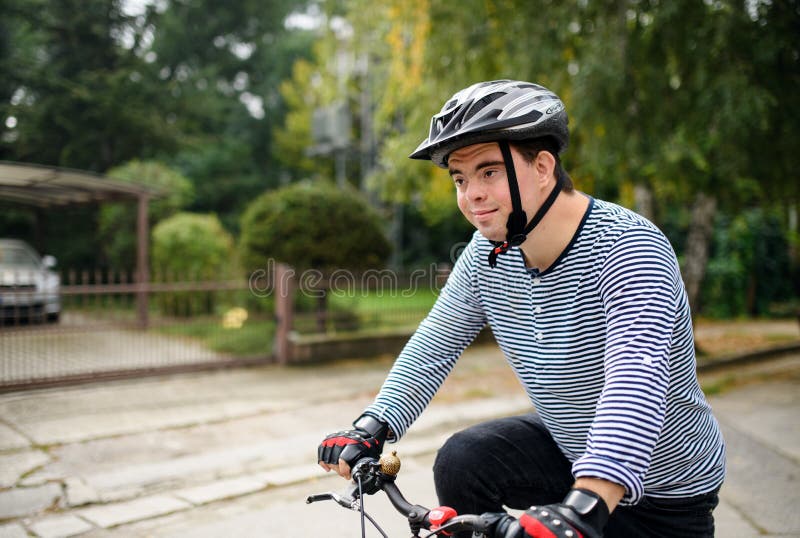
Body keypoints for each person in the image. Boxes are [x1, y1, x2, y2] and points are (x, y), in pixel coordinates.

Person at [317, 80, 726, 538]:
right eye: (459, 178)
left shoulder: (629, 248)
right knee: (465, 460)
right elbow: (434, 346)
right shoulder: (486, 253)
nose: (471, 194)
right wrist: (372, 426)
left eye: (488, 172)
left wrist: (585, 506)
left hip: (664, 491)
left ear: (544, 167)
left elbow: (635, 380)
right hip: (573, 457)